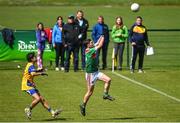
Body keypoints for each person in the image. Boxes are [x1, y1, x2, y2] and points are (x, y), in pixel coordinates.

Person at [79, 36, 115, 116]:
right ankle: (83, 105)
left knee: (108, 80)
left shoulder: (91, 47)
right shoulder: (90, 50)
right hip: (90, 75)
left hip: (96, 72)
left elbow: (97, 43)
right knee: (90, 92)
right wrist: (103, 37)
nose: (92, 43)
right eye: (91, 42)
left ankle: (105, 94)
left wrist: (100, 37)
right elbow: (100, 45)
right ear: (88, 45)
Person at [21, 52, 61, 119]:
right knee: (38, 98)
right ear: (31, 59)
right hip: (27, 85)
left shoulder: (30, 64)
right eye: (34, 57)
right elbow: (33, 74)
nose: (36, 57)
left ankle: (52, 112)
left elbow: (32, 72)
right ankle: (28, 108)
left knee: (42, 99)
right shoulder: (31, 65)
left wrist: (38, 70)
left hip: (30, 84)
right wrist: (41, 73)